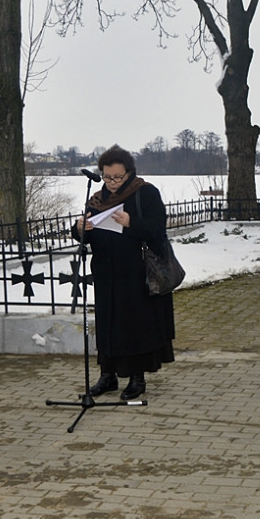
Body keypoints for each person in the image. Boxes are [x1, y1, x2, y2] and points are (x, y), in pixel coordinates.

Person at [72, 145, 175, 401]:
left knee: (134, 325)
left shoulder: (145, 193)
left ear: (129, 173)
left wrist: (132, 223)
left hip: (136, 272)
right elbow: (84, 235)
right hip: (106, 272)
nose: (113, 182)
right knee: (107, 325)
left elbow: (158, 230)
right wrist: (79, 228)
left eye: (118, 177)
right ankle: (108, 376)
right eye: (108, 177)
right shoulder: (97, 199)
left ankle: (136, 378)